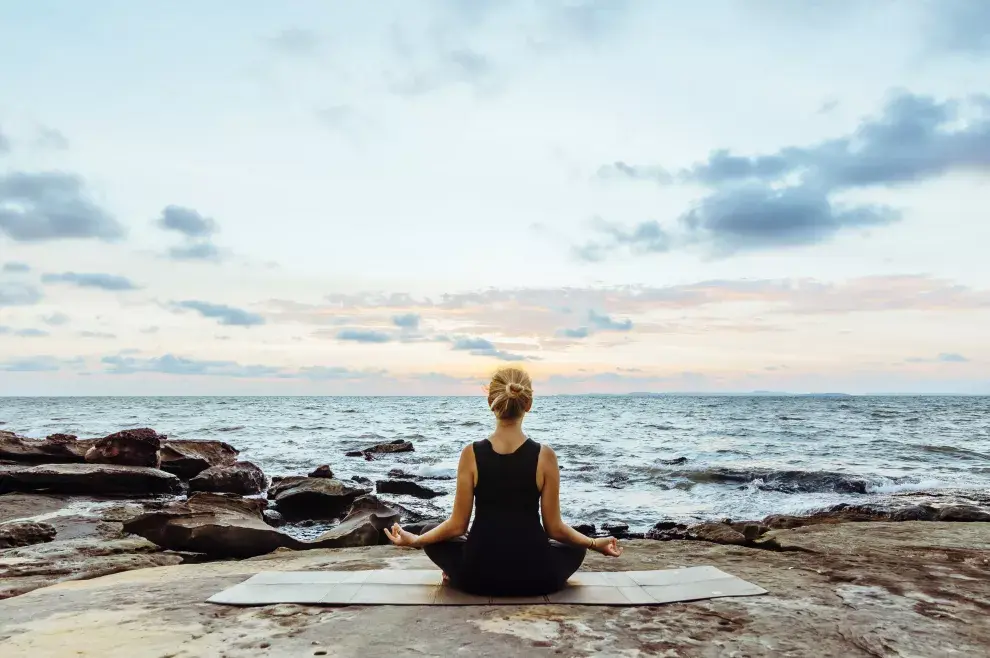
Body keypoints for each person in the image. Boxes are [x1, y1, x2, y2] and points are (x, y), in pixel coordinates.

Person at [384, 366, 622, 596]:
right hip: (537, 577)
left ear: (491, 403)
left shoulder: (471, 453)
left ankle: (453, 572)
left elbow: (457, 525)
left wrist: (416, 540)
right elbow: (554, 528)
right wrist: (593, 542)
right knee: (576, 543)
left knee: (430, 531)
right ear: (528, 404)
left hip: (477, 577)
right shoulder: (545, 456)